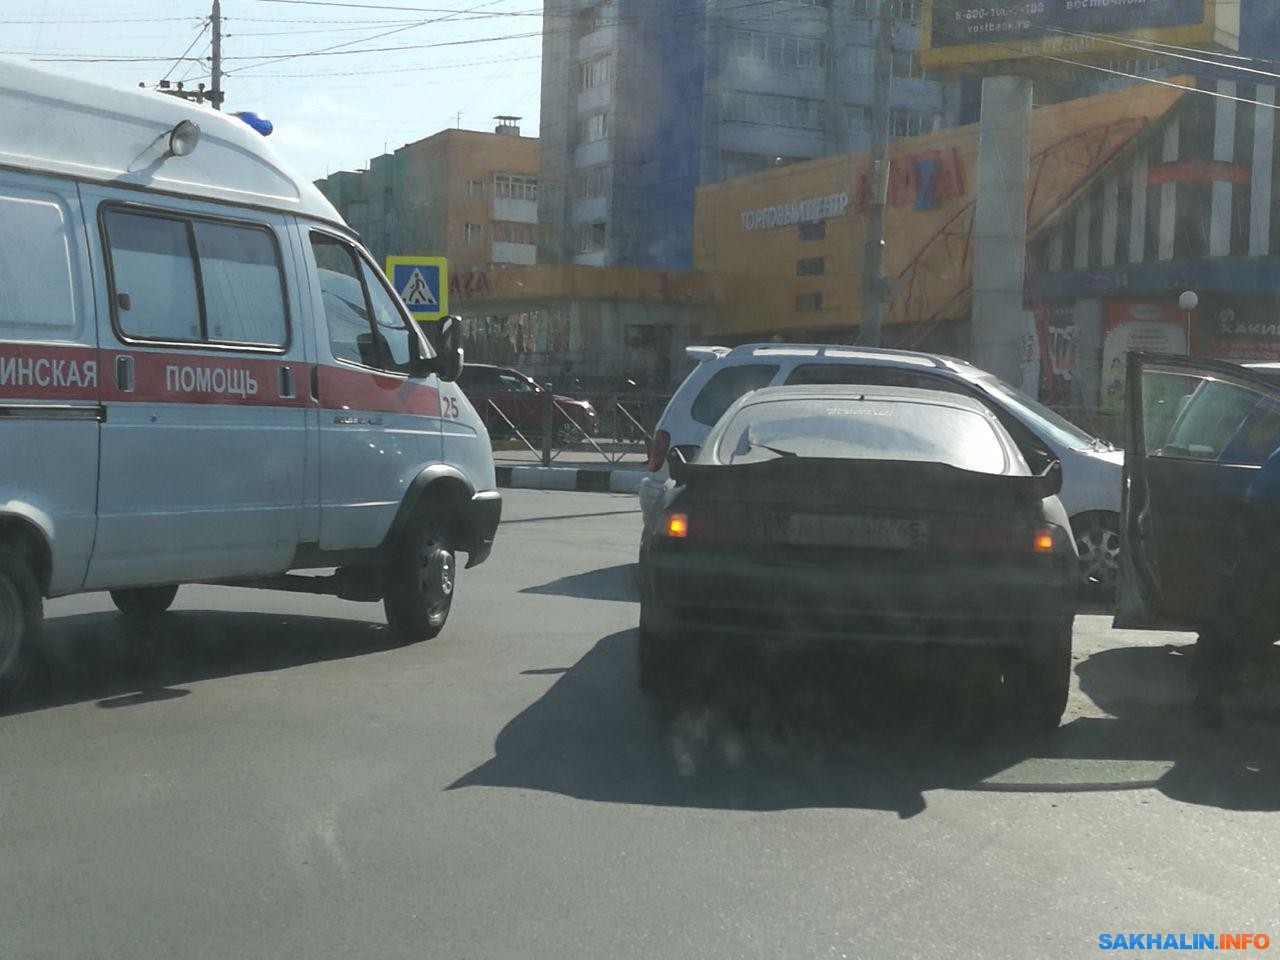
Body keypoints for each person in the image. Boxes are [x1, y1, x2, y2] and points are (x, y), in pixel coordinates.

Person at [1191, 415, 1280, 726]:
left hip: (1260, 524)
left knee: (1240, 613)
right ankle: (1215, 693)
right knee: (1247, 614)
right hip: (1268, 526)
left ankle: (1213, 692)